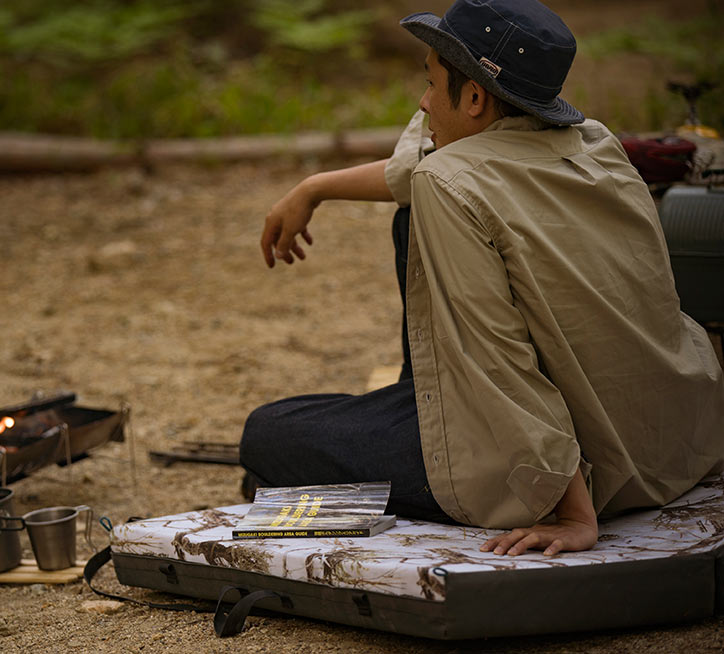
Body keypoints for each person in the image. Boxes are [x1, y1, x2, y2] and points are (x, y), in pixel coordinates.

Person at [238, 0, 724, 557]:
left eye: (430, 83)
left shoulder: (447, 182)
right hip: (672, 445)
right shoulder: (596, 143)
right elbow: (410, 169)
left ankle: (501, 469)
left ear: (473, 97)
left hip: (572, 468)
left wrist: (573, 515)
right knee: (407, 219)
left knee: (268, 432)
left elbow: (497, 354)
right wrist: (314, 187)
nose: (422, 103)